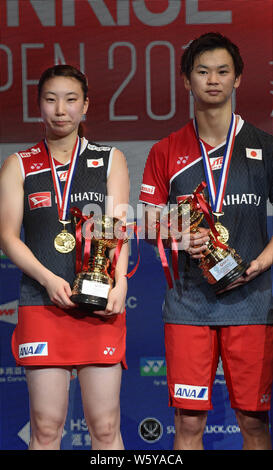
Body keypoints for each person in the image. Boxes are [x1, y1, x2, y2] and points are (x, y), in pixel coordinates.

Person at [139, 32, 273, 450]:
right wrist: (178, 236)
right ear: (186, 81)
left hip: (253, 304)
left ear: (238, 79)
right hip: (188, 304)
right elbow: (145, 221)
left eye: (222, 71)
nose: (212, 80)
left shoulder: (264, 147)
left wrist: (264, 261)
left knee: (253, 424)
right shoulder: (165, 151)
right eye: (202, 71)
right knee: (188, 426)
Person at [0, 65, 129, 450]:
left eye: (71, 100)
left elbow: (118, 228)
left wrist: (120, 282)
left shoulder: (111, 159)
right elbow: (7, 236)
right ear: (38, 105)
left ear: (85, 106)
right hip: (43, 305)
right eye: (51, 99)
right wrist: (46, 279)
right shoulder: (18, 164)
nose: (61, 109)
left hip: (99, 305)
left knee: (105, 428)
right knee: (46, 427)